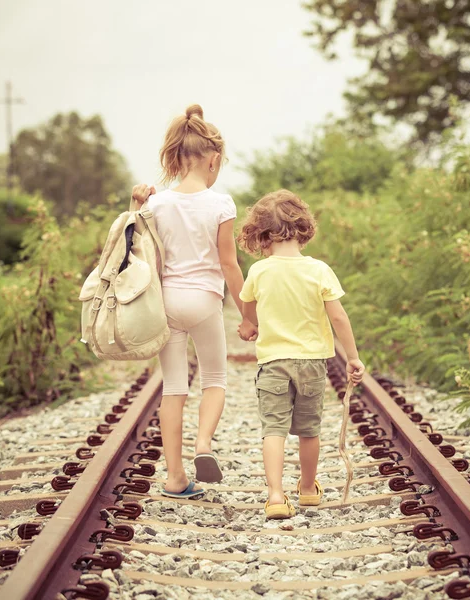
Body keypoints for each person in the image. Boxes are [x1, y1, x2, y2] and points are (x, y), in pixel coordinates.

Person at [131, 104, 256, 499]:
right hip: (204, 301)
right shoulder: (222, 204)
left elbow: (136, 248)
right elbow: (229, 265)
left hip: (166, 303)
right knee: (215, 380)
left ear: (175, 158)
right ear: (214, 159)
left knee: (173, 388)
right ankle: (203, 443)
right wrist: (247, 315)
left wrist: (136, 206)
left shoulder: (155, 204)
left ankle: (174, 478)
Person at [237, 189, 365, 519]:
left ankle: (276, 496)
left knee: (274, 430)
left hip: (273, 363)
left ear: (262, 236)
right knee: (309, 430)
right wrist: (352, 356)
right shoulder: (319, 270)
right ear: (303, 229)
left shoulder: (259, 272)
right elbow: (338, 316)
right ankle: (308, 489)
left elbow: (248, 310)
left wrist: (249, 326)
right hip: (312, 363)